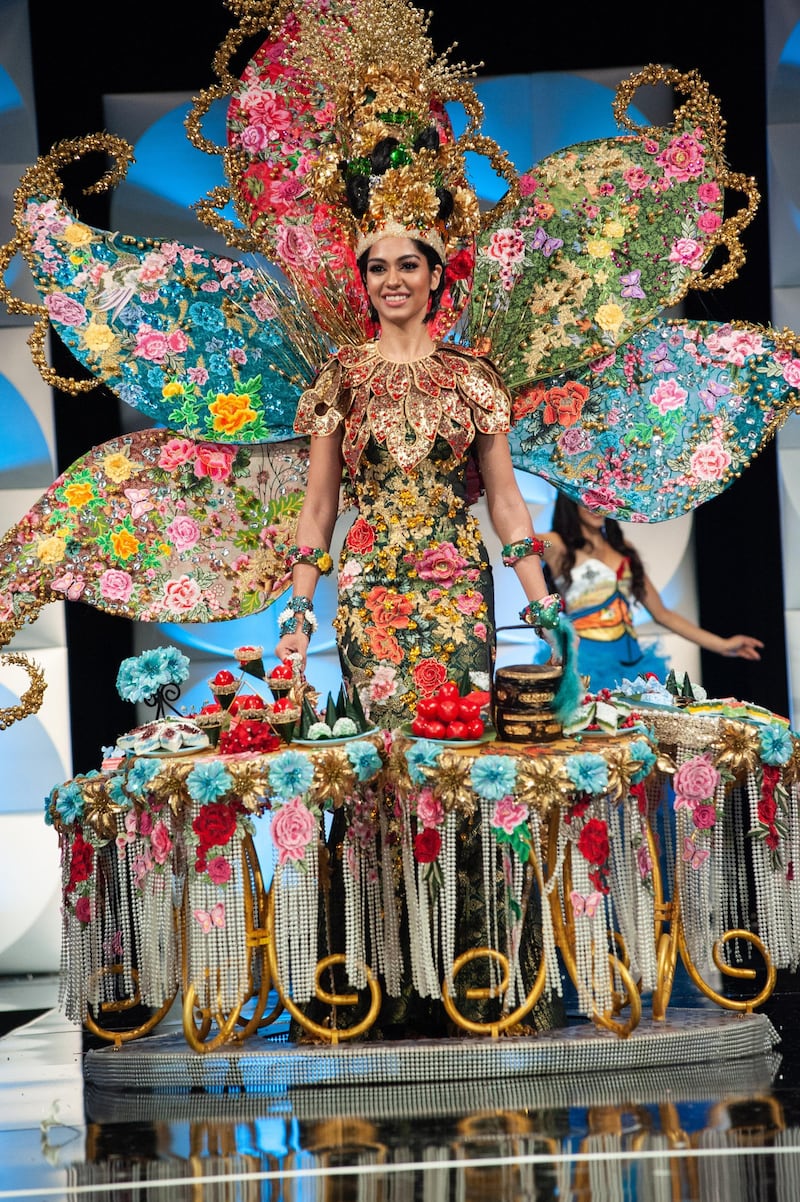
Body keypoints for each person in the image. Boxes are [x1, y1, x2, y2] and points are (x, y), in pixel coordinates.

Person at [273, 238, 564, 729]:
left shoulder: (472, 377)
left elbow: (508, 504)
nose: (393, 281)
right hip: (370, 587)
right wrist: (299, 616)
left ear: (435, 275)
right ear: (364, 281)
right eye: (378, 268)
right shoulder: (341, 378)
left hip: (460, 587)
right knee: (376, 746)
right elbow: (320, 508)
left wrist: (544, 610)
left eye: (408, 266)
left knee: (460, 742)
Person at [540, 492, 763, 691]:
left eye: (603, 497)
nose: (598, 506)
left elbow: (662, 614)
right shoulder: (558, 545)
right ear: (570, 499)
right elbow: (523, 542)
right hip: (585, 660)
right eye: (589, 499)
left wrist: (722, 645)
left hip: (633, 662)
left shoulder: (622, 547)